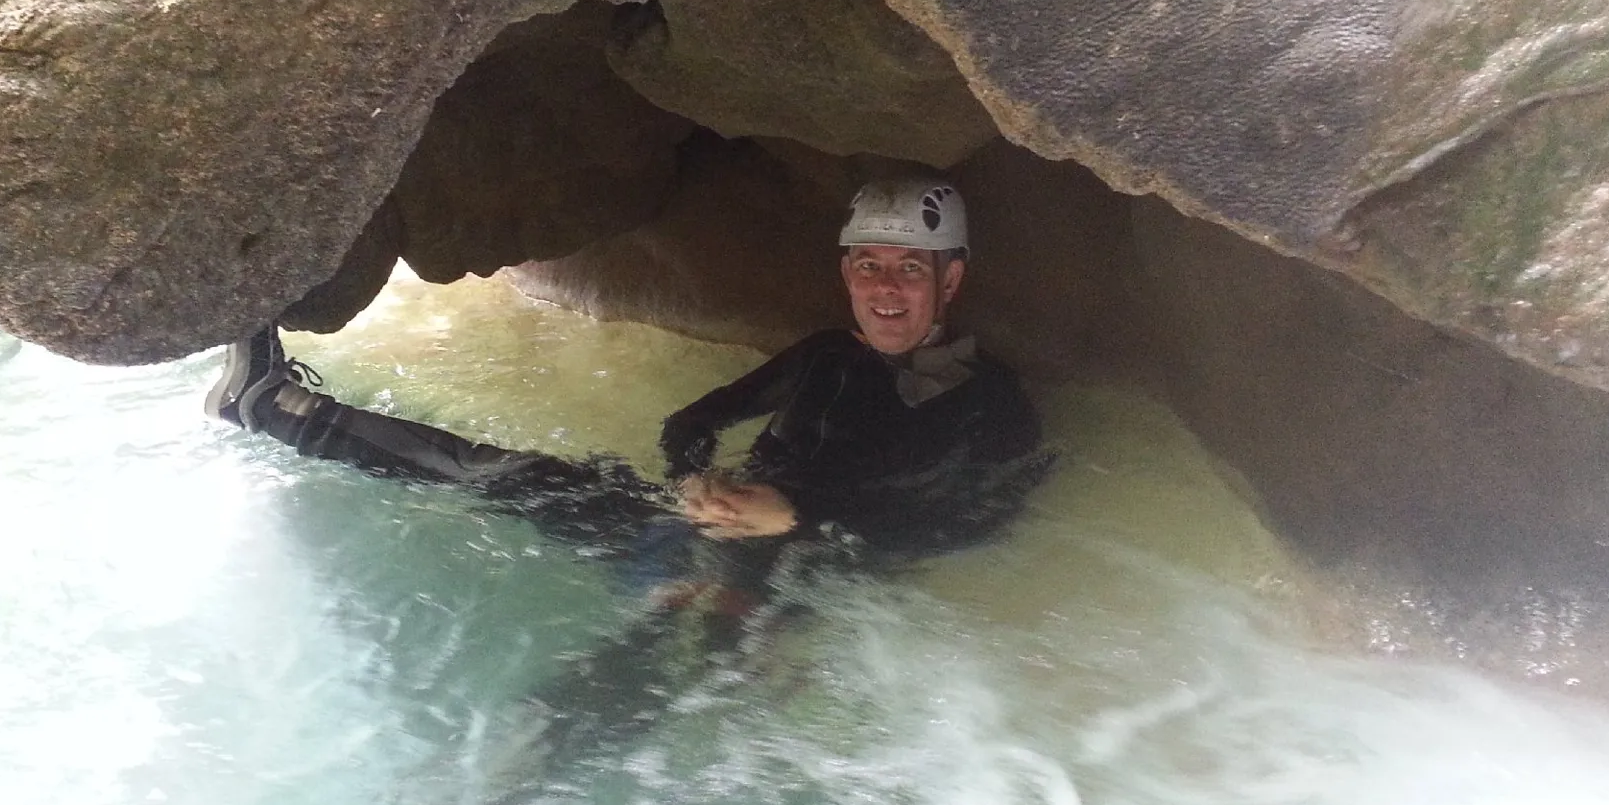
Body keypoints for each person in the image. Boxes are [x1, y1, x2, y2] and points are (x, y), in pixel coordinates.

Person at [205, 177, 1050, 593]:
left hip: (811, 582)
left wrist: (800, 518)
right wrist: (696, 479)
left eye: (911, 268)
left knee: (640, 675)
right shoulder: (826, 356)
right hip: (710, 531)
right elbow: (692, 422)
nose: (887, 288)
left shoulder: (988, 399)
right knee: (531, 477)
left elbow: (968, 520)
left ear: (951, 281)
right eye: (871, 266)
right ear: (847, 272)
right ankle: (276, 408)